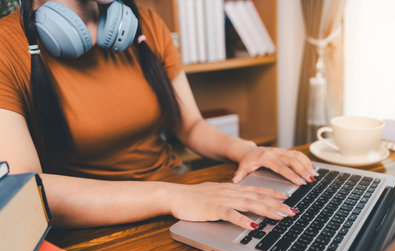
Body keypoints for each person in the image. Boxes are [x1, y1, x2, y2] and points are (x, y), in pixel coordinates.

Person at [0, 0, 317, 230]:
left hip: (181, 198)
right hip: (95, 225)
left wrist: (248, 150)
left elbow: (190, 125)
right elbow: (26, 188)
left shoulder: (146, 24)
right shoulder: (6, 46)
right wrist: (171, 195)